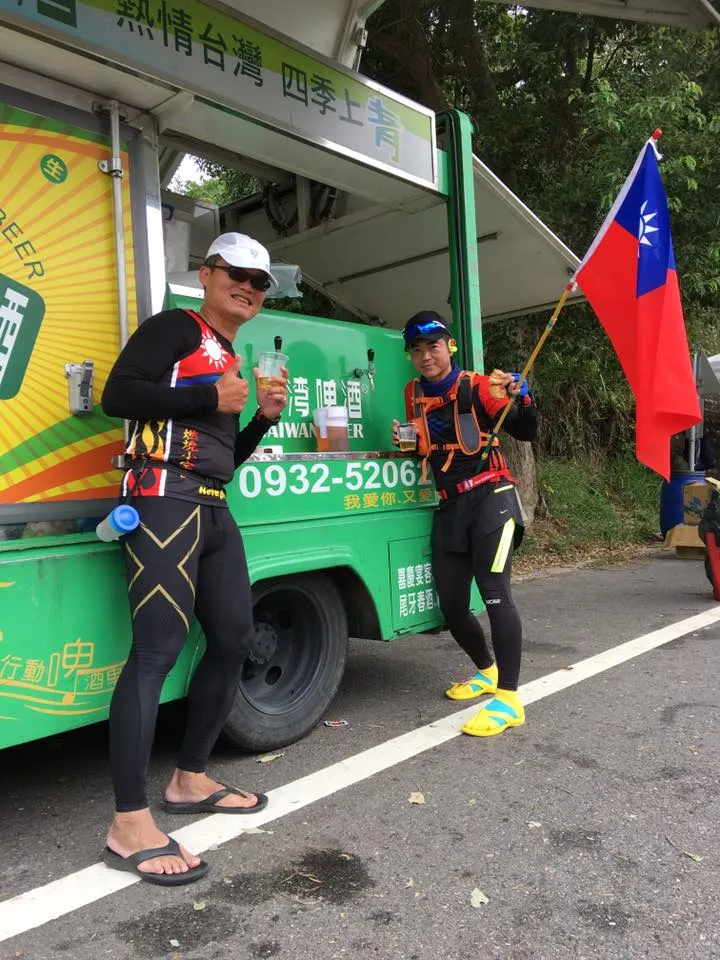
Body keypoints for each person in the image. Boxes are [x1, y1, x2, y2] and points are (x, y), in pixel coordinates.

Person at [100, 233, 288, 885]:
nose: (249, 287)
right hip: (161, 499)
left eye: (260, 281)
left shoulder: (230, 355)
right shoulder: (174, 329)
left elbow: (224, 457)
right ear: (206, 274)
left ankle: (189, 778)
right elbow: (118, 396)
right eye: (237, 273)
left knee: (235, 639)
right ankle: (128, 824)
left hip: (211, 506)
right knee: (155, 651)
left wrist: (259, 419)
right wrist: (211, 399)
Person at [393, 311, 538, 738]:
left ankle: (509, 699)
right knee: (452, 605)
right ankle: (487, 671)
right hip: (450, 507)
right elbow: (426, 446)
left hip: (491, 498)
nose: (425, 357)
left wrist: (523, 398)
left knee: (495, 595)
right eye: (417, 350)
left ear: (449, 346)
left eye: (433, 347)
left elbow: (526, 430)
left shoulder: (479, 386)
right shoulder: (412, 394)